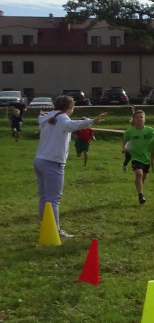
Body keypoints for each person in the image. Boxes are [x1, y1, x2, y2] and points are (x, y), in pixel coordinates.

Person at [34, 95, 107, 237]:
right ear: (70, 108)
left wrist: (86, 121)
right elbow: (72, 125)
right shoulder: (62, 118)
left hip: (39, 160)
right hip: (53, 162)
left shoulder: (49, 116)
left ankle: (46, 225)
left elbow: (43, 118)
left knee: (44, 196)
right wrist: (92, 121)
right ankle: (55, 230)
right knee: (53, 199)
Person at [123, 109, 154, 205]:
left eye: (141, 117)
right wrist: (124, 148)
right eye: (137, 117)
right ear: (133, 120)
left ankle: (139, 187)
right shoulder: (130, 131)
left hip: (146, 157)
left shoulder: (150, 131)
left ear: (144, 120)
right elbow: (125, 140)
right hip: (135, 157)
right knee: (139, 174)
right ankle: (140, 195)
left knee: (143, 177)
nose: (139, 119)